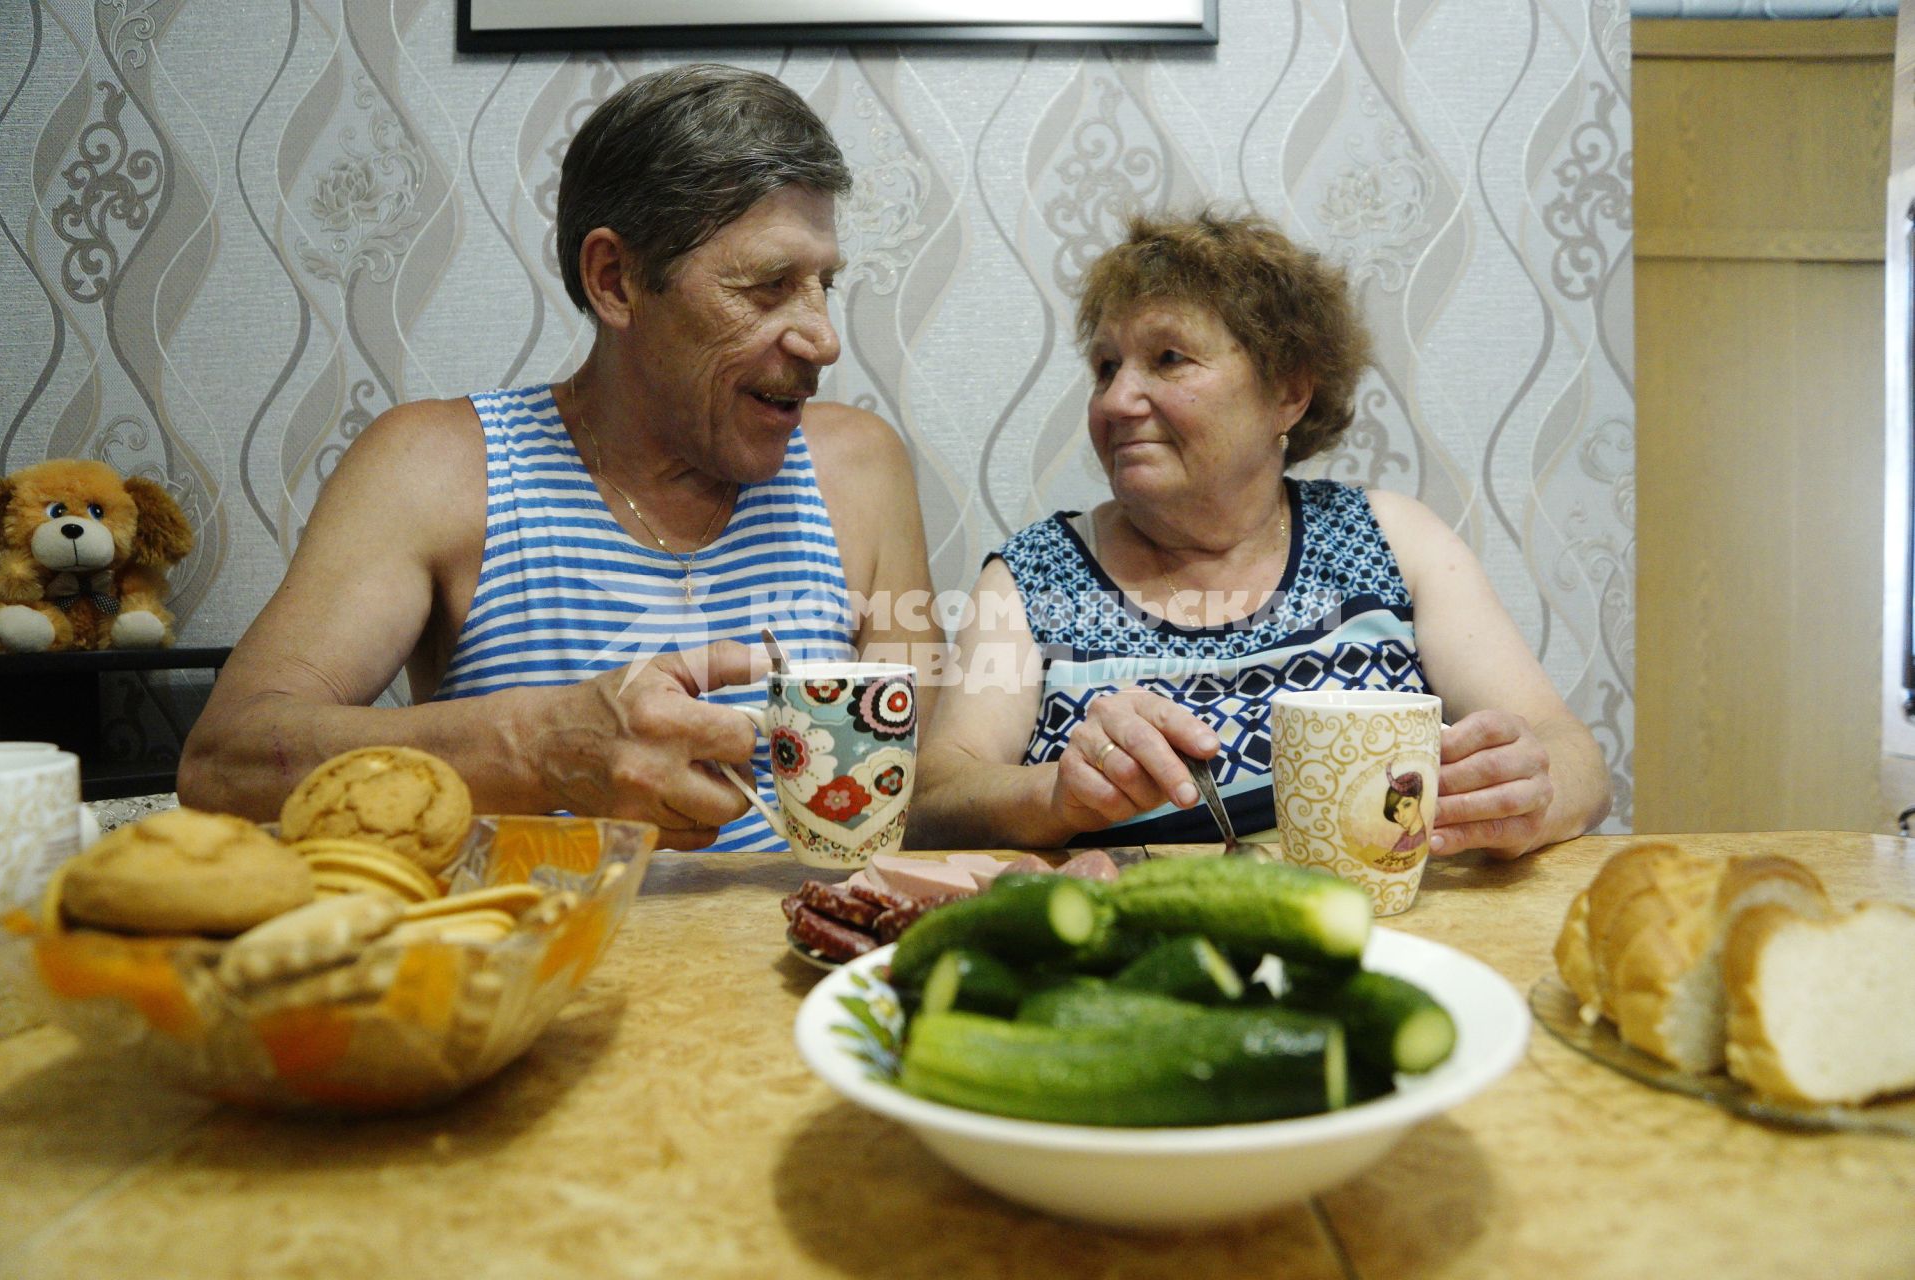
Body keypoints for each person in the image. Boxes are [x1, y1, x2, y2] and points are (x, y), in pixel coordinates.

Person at [179, 64, 938, 851]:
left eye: (824, 284)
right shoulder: (435, 468)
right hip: (527, 963)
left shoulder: (860, 468)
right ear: (615, 281)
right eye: (769, 285)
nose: (823, 338)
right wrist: (542, 746)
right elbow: (222, 766)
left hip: (808, 968)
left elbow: (914, 789)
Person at [910, 209, 1610, 857]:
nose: (1118, 400)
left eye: (1169, 358)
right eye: (1105, 368)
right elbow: (934, 801)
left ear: (1288, 392)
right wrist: (1056, 796)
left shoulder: (1392, 539)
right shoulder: (1035, 576)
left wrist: (1524, 793)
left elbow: (1574, 760)